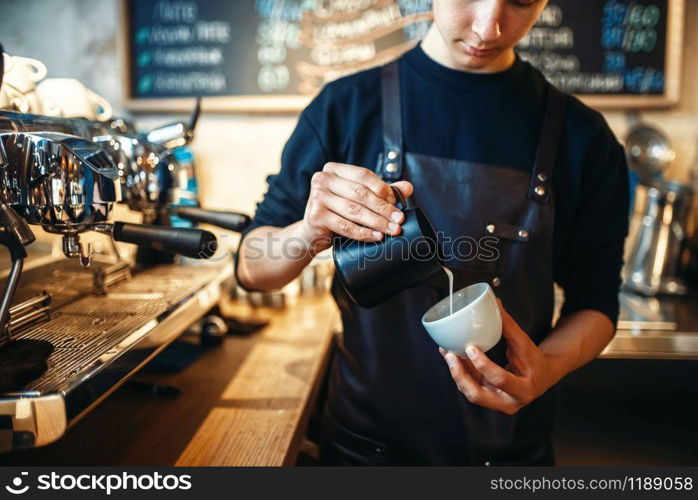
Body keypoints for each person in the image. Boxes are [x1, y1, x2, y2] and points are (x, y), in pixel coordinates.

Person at [236, 0, 629, 465]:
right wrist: (310, 229)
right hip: (362, 453)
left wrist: (546, 370)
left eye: (521, 1)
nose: (489, 27)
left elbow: (597, 303)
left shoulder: (584, 138)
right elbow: (253, 265)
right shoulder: (343, 109)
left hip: (508, 453)